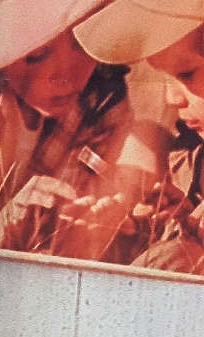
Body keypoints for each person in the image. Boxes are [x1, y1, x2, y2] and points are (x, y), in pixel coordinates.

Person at [0, 0, 167, 260]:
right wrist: (1, 232)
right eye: (37, 54)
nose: (65, 74)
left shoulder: (100, 100)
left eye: (83, 45)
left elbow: (65, 235)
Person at [76, 0, 204, 272]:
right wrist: (186, 219)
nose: (172, 98)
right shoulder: (191, 158)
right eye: (165, 79)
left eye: (187, 74)